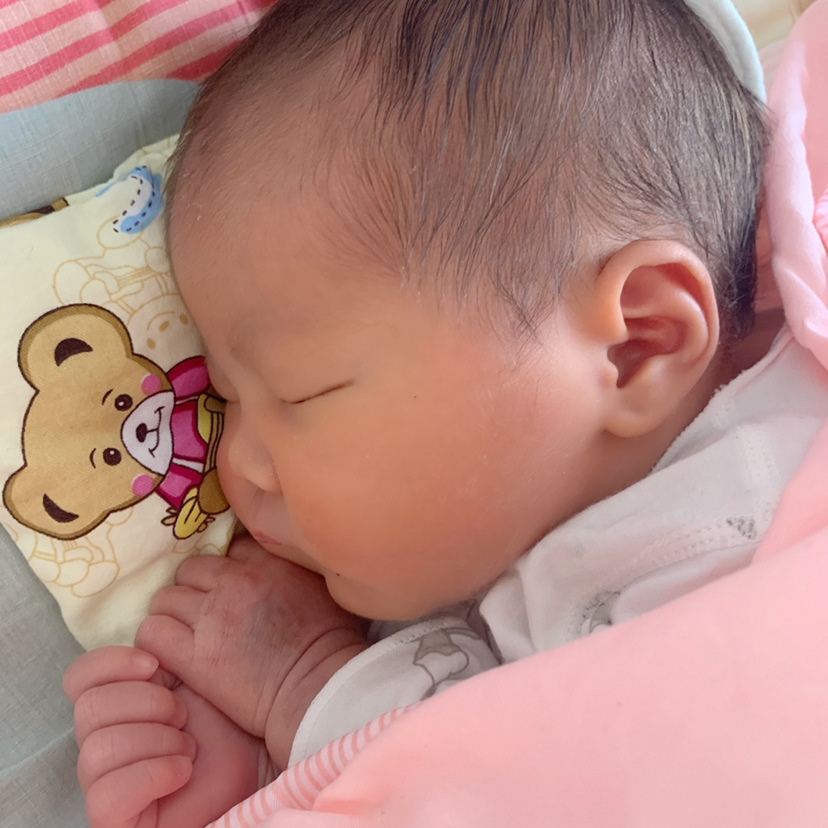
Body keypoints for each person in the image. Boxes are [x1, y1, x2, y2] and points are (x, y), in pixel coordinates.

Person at [62, 0, 828, 825]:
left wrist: (310, 688)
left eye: (300, 391)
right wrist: (271, 773)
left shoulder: (741, 537)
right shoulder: (523, 520)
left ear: (636, 345)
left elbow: (542, 794)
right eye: (226, 398)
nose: (236, 463)